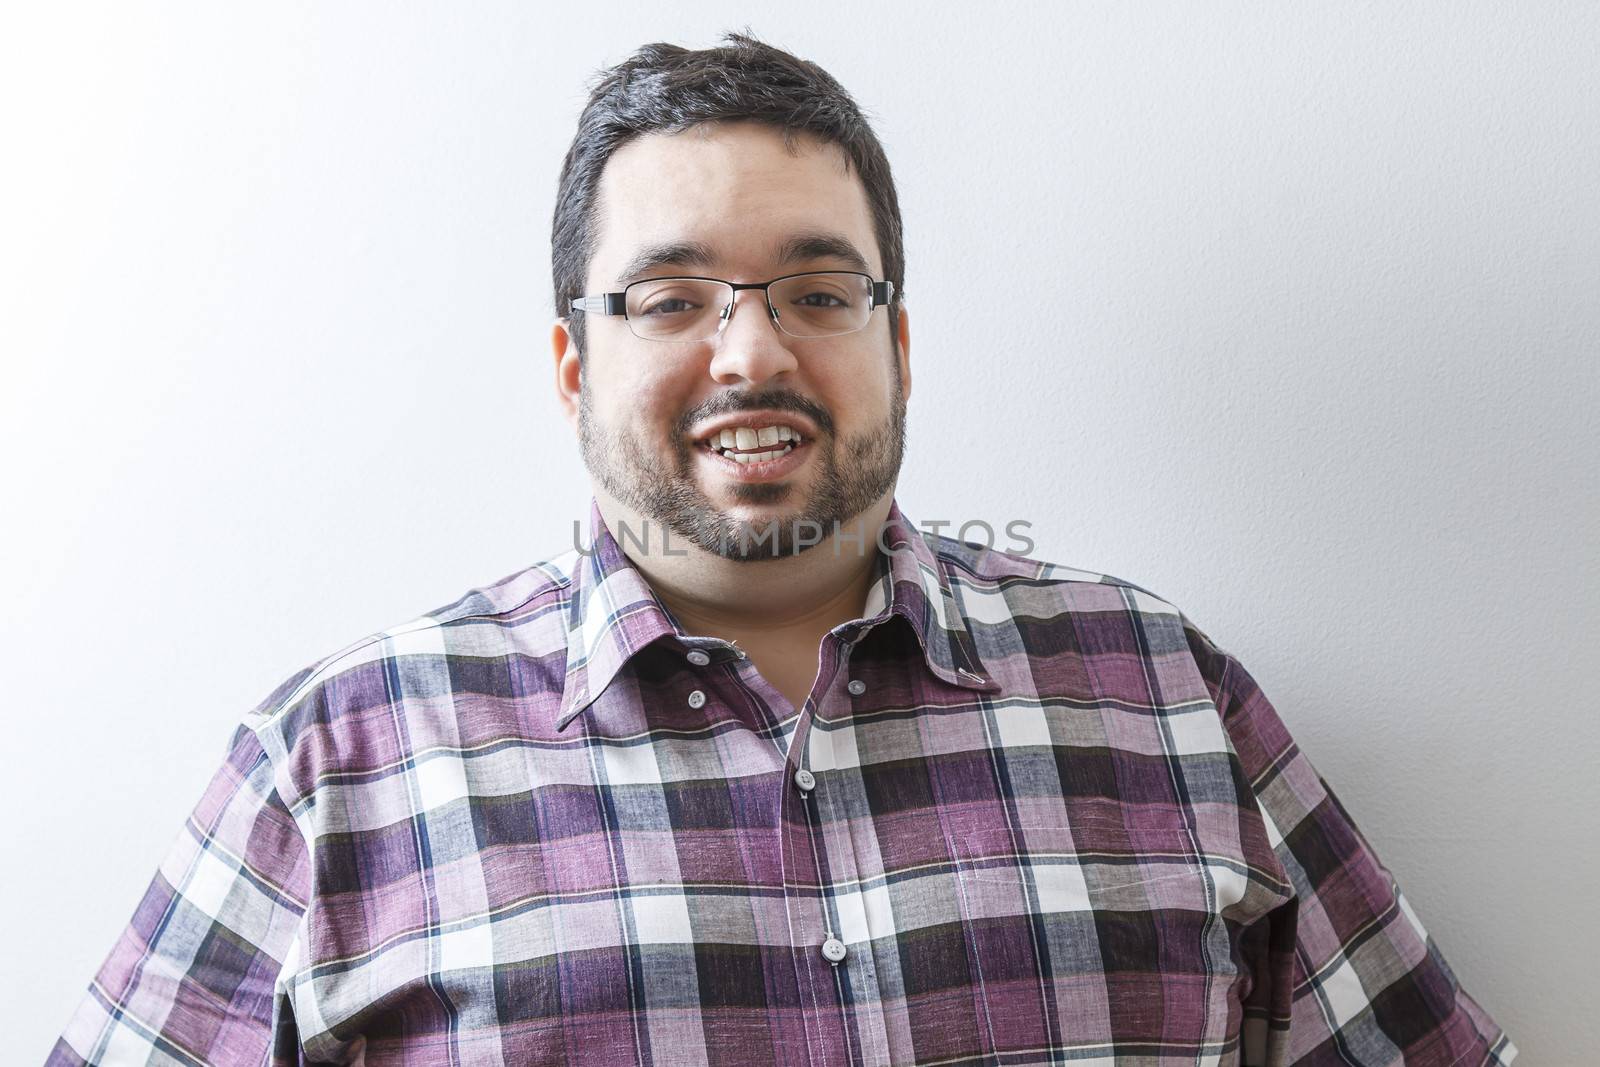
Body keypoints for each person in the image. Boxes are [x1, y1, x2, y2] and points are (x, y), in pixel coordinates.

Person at [48, 31, 1517, 1067]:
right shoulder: (338, 768)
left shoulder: (1164, 702)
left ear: (899, 341)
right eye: (672, 298)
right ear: (573, 366)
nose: (753, 350)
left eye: (819, 289)